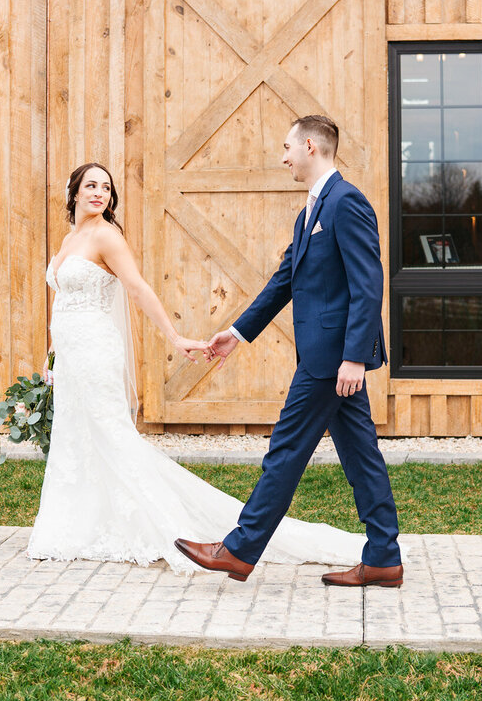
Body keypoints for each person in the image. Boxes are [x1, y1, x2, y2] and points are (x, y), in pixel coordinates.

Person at [27, 161, 366, 573]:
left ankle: (168, 527)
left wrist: (174, 337)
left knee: (111, 435)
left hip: (96, 352)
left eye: (107, 187)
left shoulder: (106, 236)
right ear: (74, 191)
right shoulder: (67, 240)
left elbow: (137, 288)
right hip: (70, 357)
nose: (100, 193)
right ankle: (76, 523)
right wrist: (51, 357)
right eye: (91, 186)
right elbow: (62, 303)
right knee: (74, 436)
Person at [176, 116, 404, 588]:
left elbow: (368, 285)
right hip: (329, 360)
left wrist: (355, 358)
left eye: (286, 147)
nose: (283, 158)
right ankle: (383, 556)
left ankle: (238, 550)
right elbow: (285, 281)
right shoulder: (309, 214)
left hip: (332, 361)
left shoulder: (346, 202)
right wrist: (236, 334)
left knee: (284, 451)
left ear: (309, 146)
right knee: (362, 456)